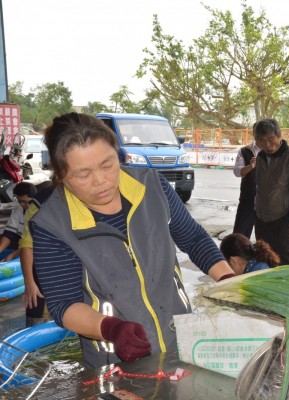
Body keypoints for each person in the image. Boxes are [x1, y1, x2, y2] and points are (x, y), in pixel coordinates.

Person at [29, 112, 235, 369]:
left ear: (119, 154)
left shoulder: (152, 187)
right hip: (116, 359)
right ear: (60, 175)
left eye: (107, 164)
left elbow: (193, 239)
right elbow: (64, 305)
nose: (100, 180)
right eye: (82, 174)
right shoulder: (53, 225)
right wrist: (112, 329)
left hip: (181, 339)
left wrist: (231, 283)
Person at [253, 118, 289, 266]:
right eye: (262, 141)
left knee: (286, 263)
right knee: (264, 261)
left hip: (283, 220)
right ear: (256, 141)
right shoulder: (261, 156)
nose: (268, 145)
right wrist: (255, 213)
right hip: (261, 220)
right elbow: (258, 187)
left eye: (271, 139)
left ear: (279, 136)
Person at [18, 181, 54, 327]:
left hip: (70, 271)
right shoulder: (41, 202)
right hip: (42, 268)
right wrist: (29, 282)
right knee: (36, 312)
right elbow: (26, 244)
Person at [232, 138, 261, 238]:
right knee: (240, 235)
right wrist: (250, 166)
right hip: (248, 197)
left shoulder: (273, 149)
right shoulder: (245, 150)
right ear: (256, 135)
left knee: (266, 236)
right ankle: (238, 253)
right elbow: (237, 172)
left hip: (267, 201)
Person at [0, 181, 36, 259]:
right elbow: (9, 234)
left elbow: (33, 244)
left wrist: (12, 255)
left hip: (32, 248)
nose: (23, 205)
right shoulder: (19, 208)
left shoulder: (41, 212)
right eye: (20, 201)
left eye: (27, 202)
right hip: (19, 243)